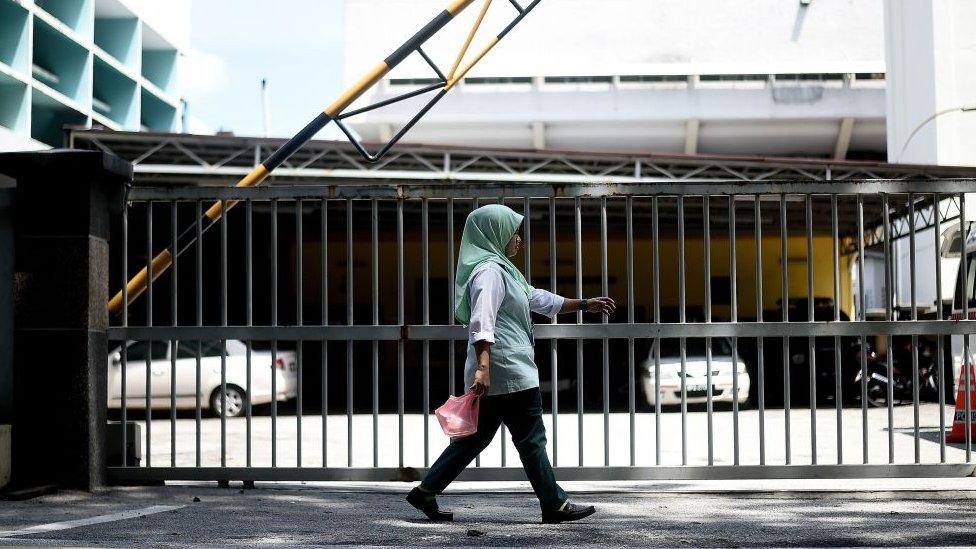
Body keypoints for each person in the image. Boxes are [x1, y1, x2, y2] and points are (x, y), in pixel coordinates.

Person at [407, 204, 616, 524]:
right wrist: (483, 367)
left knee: (473, 439)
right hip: (508, 372)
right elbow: (482, 321)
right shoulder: (489, 272)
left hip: (501, 372)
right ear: (494, 234)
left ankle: (426, 491)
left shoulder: (503, 271)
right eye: (512, 232)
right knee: (531, 439)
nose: (518, 239)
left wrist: (584, 304)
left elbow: (538, 299)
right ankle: (554, 504)